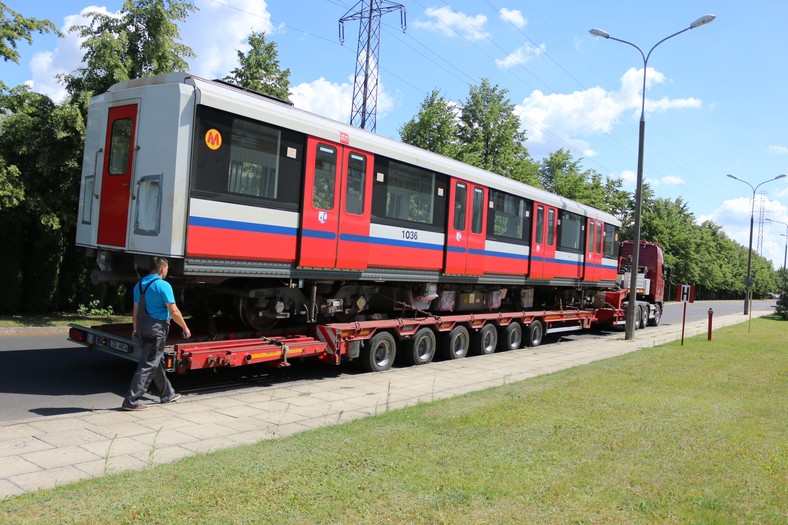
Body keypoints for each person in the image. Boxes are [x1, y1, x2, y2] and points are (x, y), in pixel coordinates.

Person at [122, 257, 191, 411]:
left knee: (155, 361)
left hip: (142, 328)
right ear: (162, 269)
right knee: (148, 364)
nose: (167, 271)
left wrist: (134, 329)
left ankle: (167, 393)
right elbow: (173, 311)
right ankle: (131, 400)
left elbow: (135, 310)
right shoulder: (163, 285)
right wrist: (185, 328)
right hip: (156, 330)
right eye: (166, 269)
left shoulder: (139, 285)